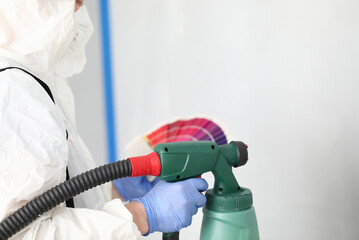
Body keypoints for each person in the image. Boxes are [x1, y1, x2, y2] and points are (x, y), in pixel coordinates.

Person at [0, 0, 208, 239]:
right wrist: (142, 214)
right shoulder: (12, 89)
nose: (79, 7)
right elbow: (20, 233)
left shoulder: (32, 79)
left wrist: (111, 192)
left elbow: (60, 200)